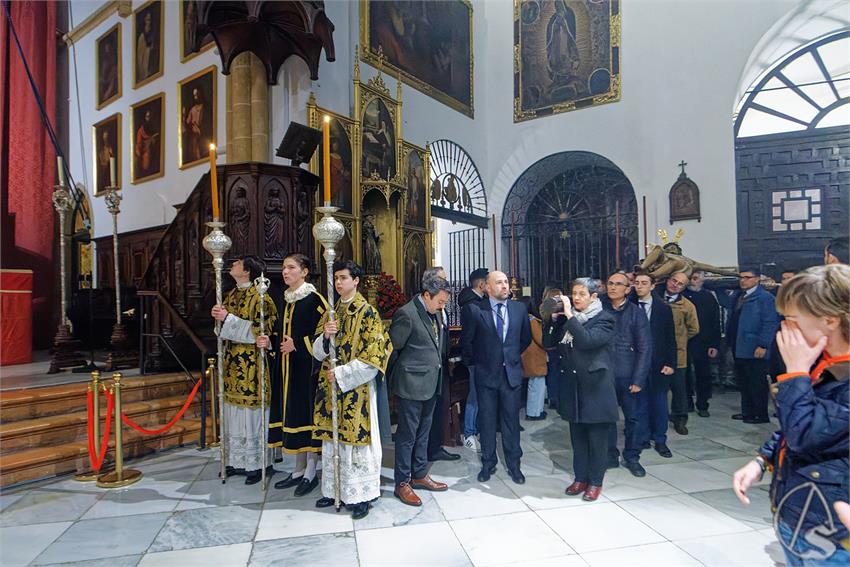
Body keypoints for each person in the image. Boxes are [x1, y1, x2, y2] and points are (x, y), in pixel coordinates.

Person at [733, 265, 849, 566]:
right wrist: (763, 459)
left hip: (831, 533)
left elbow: (804, 434)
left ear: (830, 320)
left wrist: (796, 373)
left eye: (792, 320)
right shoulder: (819, 360)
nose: (784, 328)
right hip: (798, 511)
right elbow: (790, 427)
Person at [312, 260, 390, 520]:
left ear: (356, 281)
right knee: (332, 439)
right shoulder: (331, 313)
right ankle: (333, 489)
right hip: (331, 388)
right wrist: (324, 336)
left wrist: (343, 373)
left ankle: (361, 495)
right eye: (336, 278)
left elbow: (375, 357)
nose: (338, 282)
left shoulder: (367, 312)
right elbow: (315, 351)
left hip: (356, 389)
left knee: (357, 443)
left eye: (343, 278)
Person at [544, 278, 617, 501]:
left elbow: (586, 341)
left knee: (597, 440)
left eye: (582, 294)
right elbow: (548, 342)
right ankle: (580, 478)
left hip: (596, 388)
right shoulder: (569, 320)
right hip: (574, 388)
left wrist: (569, 316)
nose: (576, 298)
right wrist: (554, 321)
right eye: (574, 293)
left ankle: (595, 482)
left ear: (594, 297)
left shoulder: (605, 319)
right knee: (577, 439)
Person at [210, 255, 278, 485]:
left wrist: (228, 319)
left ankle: (258, 464)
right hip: (231, 363)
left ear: (247, 270)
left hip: (251, 365)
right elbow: (221, 328)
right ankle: (236, 460)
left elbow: (264, 329)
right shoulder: (230, 294)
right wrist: (220, 320)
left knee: (252, 413)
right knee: (232, 411)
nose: (232, 266)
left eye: (236, 263)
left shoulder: (261, 297)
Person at [461, 270, 531, 485]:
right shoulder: (475, 310)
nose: (504, 286)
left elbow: (525, 339)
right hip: (486, 375)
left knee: (511, 422)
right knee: (487, 422)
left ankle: (514, 465)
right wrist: (481, 363)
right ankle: (488, 463)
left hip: (510, 374)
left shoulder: (519, 309)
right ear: (487, 288)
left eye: (506, 282)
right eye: (499, 283)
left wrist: (508, 357)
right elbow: (468, 343)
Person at [388, 275, 452, 507]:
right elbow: (392, 350)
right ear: (427, 295)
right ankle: (402, 482)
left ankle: (419, 473)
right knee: (407, 436)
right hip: (410, 385)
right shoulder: (407, 314)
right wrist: (398, 380)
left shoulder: (433, 312)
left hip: (431, 383)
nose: (442, 306)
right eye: (441, 302)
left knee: (423, 432)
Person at [269, 254, 328, 496]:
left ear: (304, 272)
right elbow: (278, 331)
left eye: (291, 267)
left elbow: (325, 335)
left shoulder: (315, 300)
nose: (285, 272)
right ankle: (298, 469)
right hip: (286, 368)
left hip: (307, 370)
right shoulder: (284, 299)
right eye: (284, 268)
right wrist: (269, 340)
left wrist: (299, 346)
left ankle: (311, 471)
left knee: (306, 417)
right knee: (291, 416)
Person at [714, 267, 779, 424]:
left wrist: (763, 345)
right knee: (743, 381)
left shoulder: (765, 298)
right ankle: (747, 412)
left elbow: (770, 323)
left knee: (756, 382)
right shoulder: (738, 296)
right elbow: (724, 301)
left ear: (757, 279)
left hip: (754, 347)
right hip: (739, 345)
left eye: (747, 277)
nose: (743, 280)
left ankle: (760, 414)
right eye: (741, 277)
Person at [604, 271, 651, 477]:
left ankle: (632, 456)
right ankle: (610, 455)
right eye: (610, 283)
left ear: (627, 289)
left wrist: (638, 379)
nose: (613, 287)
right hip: (604, 375)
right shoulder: (600, 309)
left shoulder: (635, 312)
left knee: (633, 418)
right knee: (607, 418)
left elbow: (645, 348)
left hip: (629, 374)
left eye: (618, 284)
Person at [634, 273, 677, 458]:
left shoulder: (663, 308)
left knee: (659, 403)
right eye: (636, 283)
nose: (640, 286)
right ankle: (642, 437)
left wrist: (670, 362)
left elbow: (670, 338)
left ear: (652, 286)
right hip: (636, 363)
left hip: (658, 362)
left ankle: (660, 439)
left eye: (644, 283)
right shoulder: (629, 306)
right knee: (639, 403)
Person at [420, 266, 460, 463]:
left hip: (441, 364)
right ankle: (427, 450)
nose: (446, 283)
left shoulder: (441, 305)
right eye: (441, 280)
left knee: (440, 407)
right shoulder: (424, 307)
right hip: (428, 369)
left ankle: (436, 446)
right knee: (429, 411)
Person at [657, 271, 699, 435]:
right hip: (657, 352)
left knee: (679, 389)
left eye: (680, 283)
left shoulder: (687, 306)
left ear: (684, 287)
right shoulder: (655, 299)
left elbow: (694, 329)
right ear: (667, 280)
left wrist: (680, 340)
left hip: (678, 354)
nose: (675, 284)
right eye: (673, 280)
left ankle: (680, 419)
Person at [458, 267, 488, 453]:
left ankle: (475, 430)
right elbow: (468, 336)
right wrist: (469, 359)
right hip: (475, 358)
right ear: (481, 284)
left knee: (479, 396)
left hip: (482, 357)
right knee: (474, 396)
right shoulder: (471, 305)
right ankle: (469, 433)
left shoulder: (478, 302)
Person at [683, 269, 721, 417]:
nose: (693, 280)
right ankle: (687, 402)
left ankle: (703, 404)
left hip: (703, 342)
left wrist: (714, 344)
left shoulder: (708, 298)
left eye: (696, 278)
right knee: (684, 374)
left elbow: (715, 322)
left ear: (702, 280)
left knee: (703, 374)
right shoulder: (682, 296)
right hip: (685, 341)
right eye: (691, 278)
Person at [519, 297, 547, 421]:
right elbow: (540, 339)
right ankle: (535, 412)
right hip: (535, 356)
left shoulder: (520, 318)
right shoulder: (532, 320)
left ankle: (534, 411)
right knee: (537, 385)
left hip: (526, 355)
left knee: (533, 384)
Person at [541, 286, 563, 411]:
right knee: (555, 372)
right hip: (554, 346)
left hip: (551, 345)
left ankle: (553, 397)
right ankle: (554, 397)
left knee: (553, 372)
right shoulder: (548, 311)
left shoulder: (546, 308)